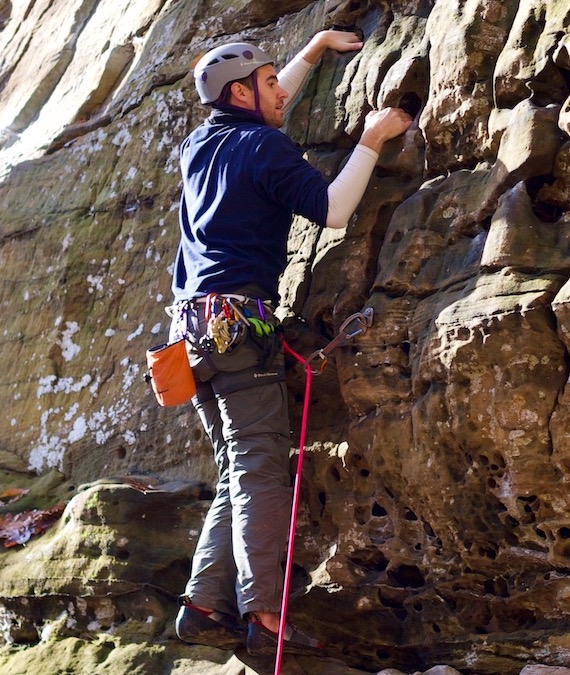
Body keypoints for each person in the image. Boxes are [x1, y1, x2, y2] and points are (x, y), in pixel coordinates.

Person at [168, 29, 411, 657]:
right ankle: (265, 614)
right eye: (270, 83)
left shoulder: (201, 145)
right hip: (238, 328)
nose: (282, 92)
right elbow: (331, 209)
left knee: (234, 471)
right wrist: (371, 141)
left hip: (191, 333)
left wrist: (314, 50)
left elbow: (266, 111)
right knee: (260, 467)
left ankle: (202, 604)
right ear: (244, 93)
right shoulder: (265, 148)